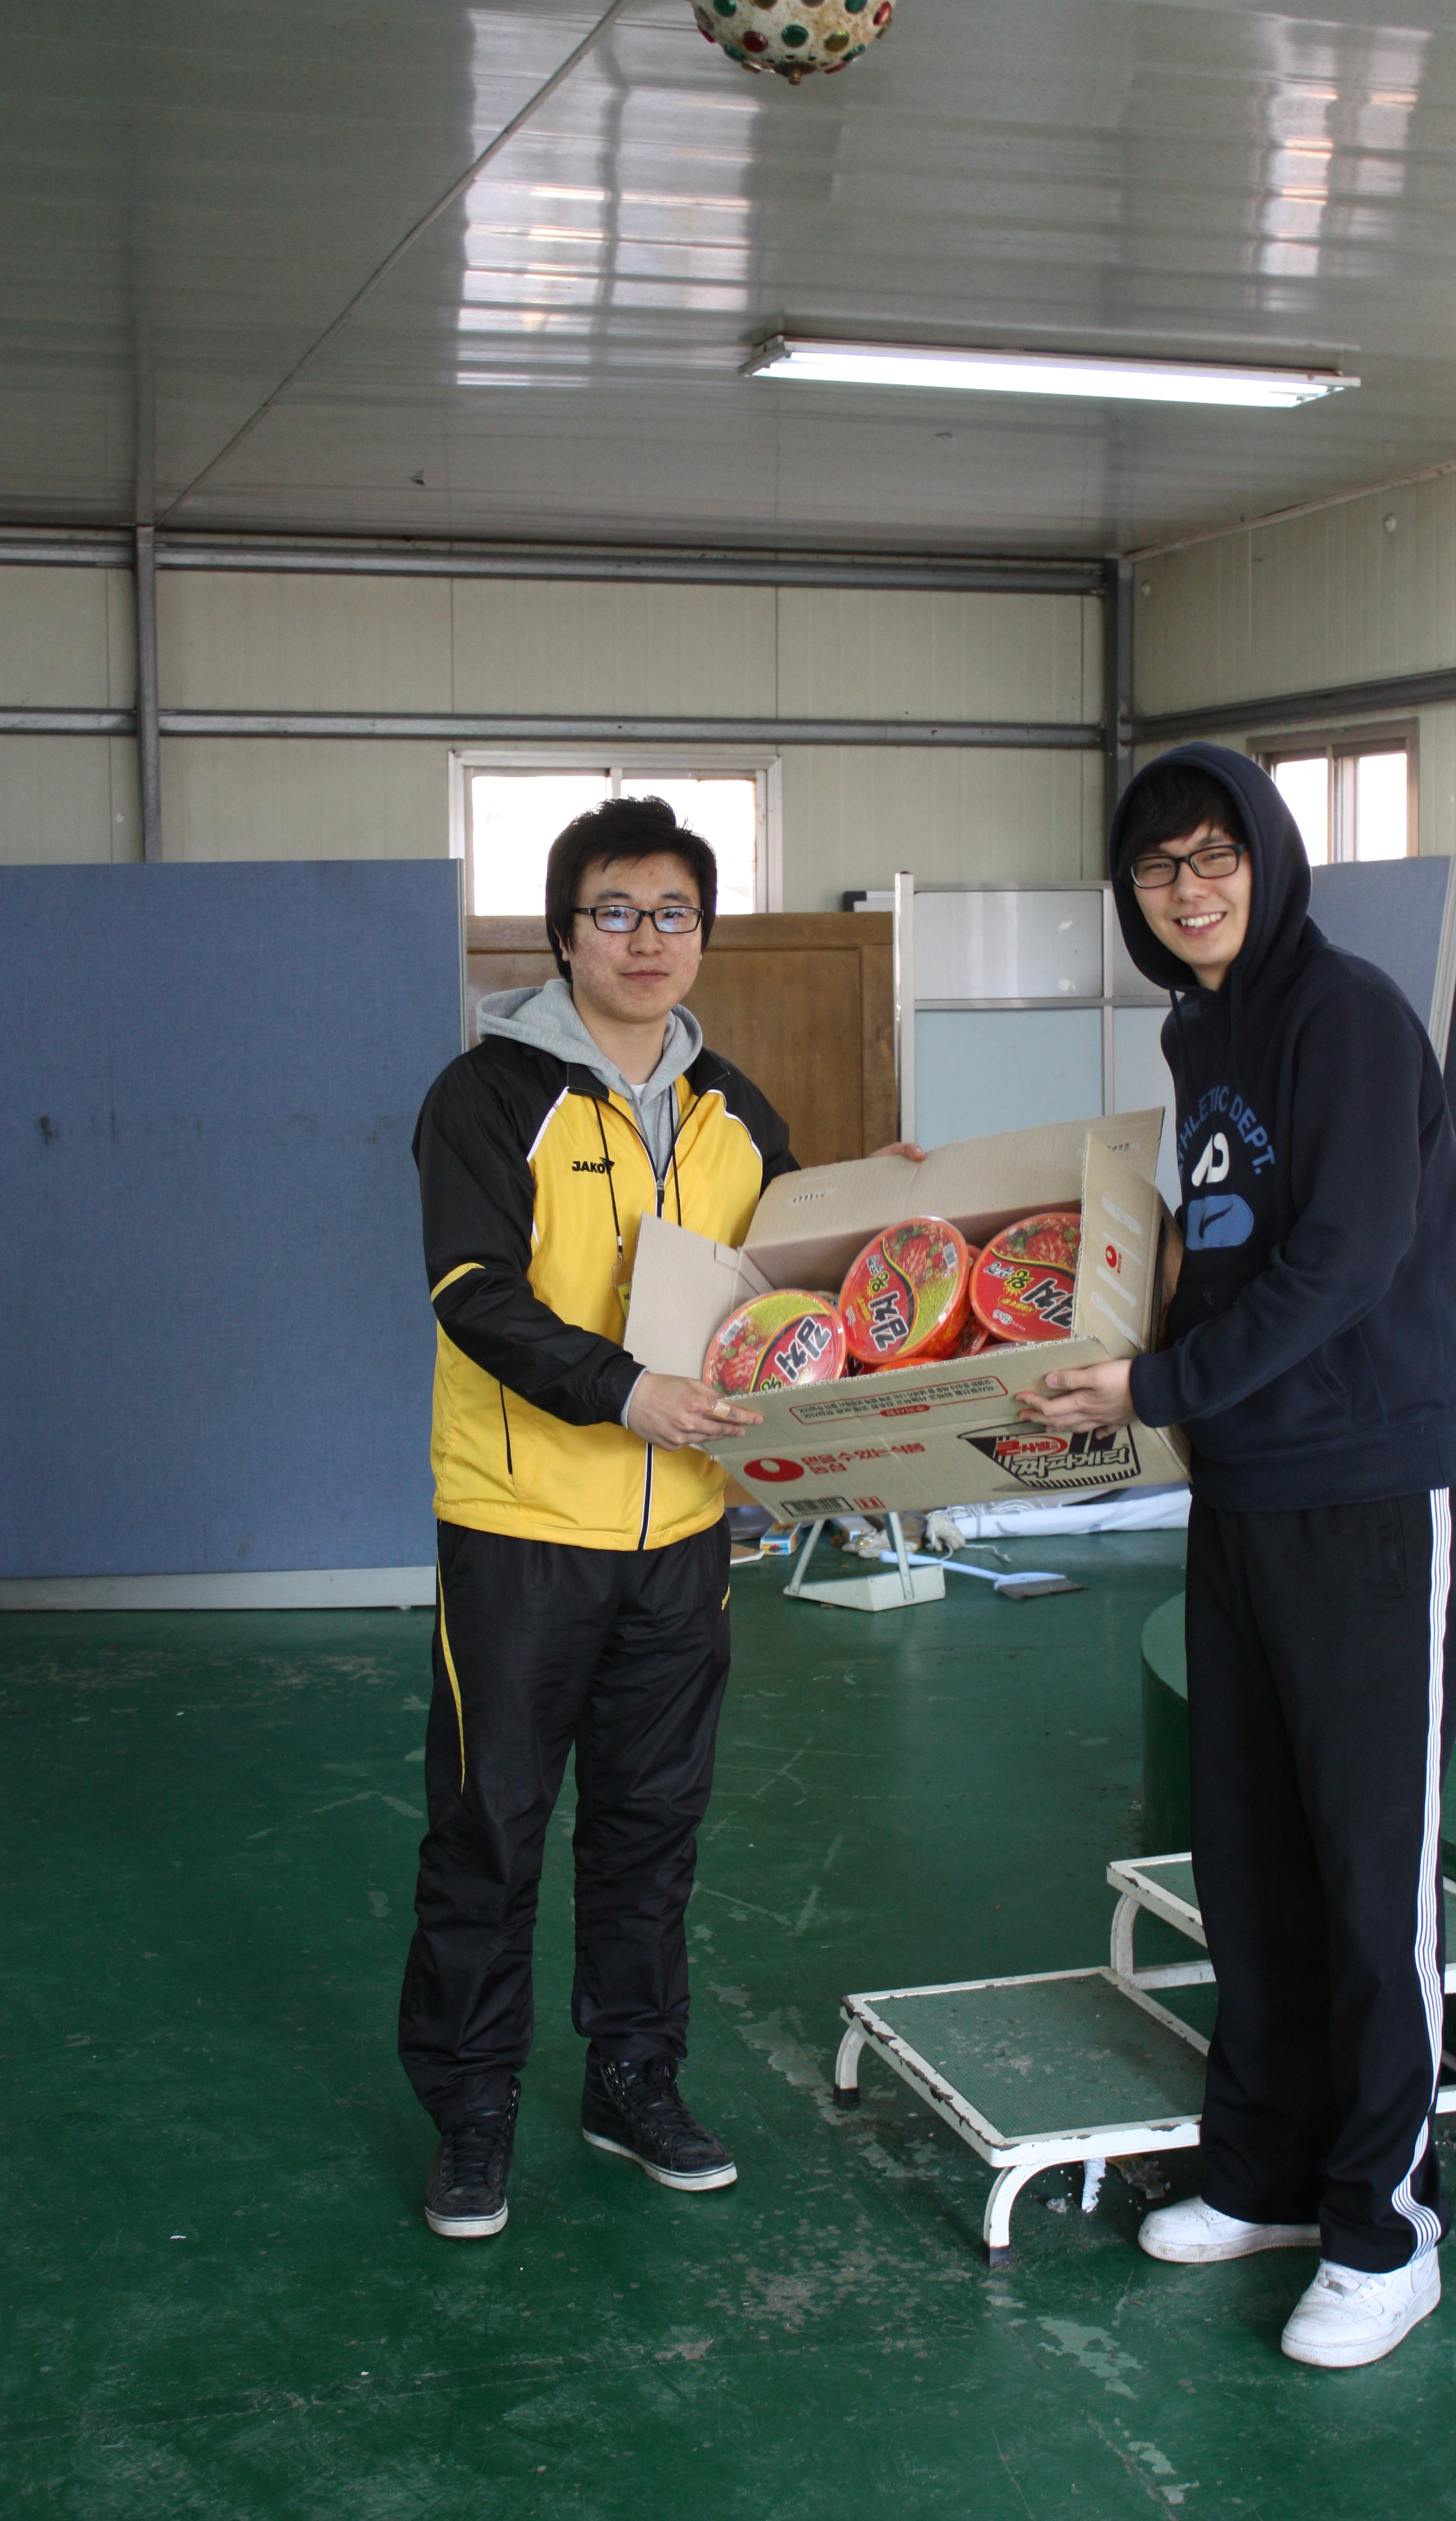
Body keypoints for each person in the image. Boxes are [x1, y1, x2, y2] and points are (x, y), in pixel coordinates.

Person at [1018, 742, 1456, 2371]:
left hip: (1366, 1490)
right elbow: (1214, 1255)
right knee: (1251, 1851)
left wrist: (1153, 1389)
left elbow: (1347, 1256)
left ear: (1269, 859)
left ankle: (1387, 2228)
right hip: (1244, 1490)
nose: (1190, 888)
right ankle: (1272, 2174)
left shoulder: (1339, 1013)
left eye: (1216, 854)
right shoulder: (1200, 1029)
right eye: (1159, 867)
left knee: (1366, 1865)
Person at [399, 797, 793, 2238]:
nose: (645, 939)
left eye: (672, 913)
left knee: (649, 1827)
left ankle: (631, 2079)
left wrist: (892, 1209)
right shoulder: (487, 1095)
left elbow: (787, 1287)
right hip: (521, 1528)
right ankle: (472, 2108)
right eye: (614, 912)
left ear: (702, 934)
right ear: (563, 934)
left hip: (681, 1539)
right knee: (490, 1829)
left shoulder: (737, 1113)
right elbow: (471, 1293)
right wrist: (626, 1393)